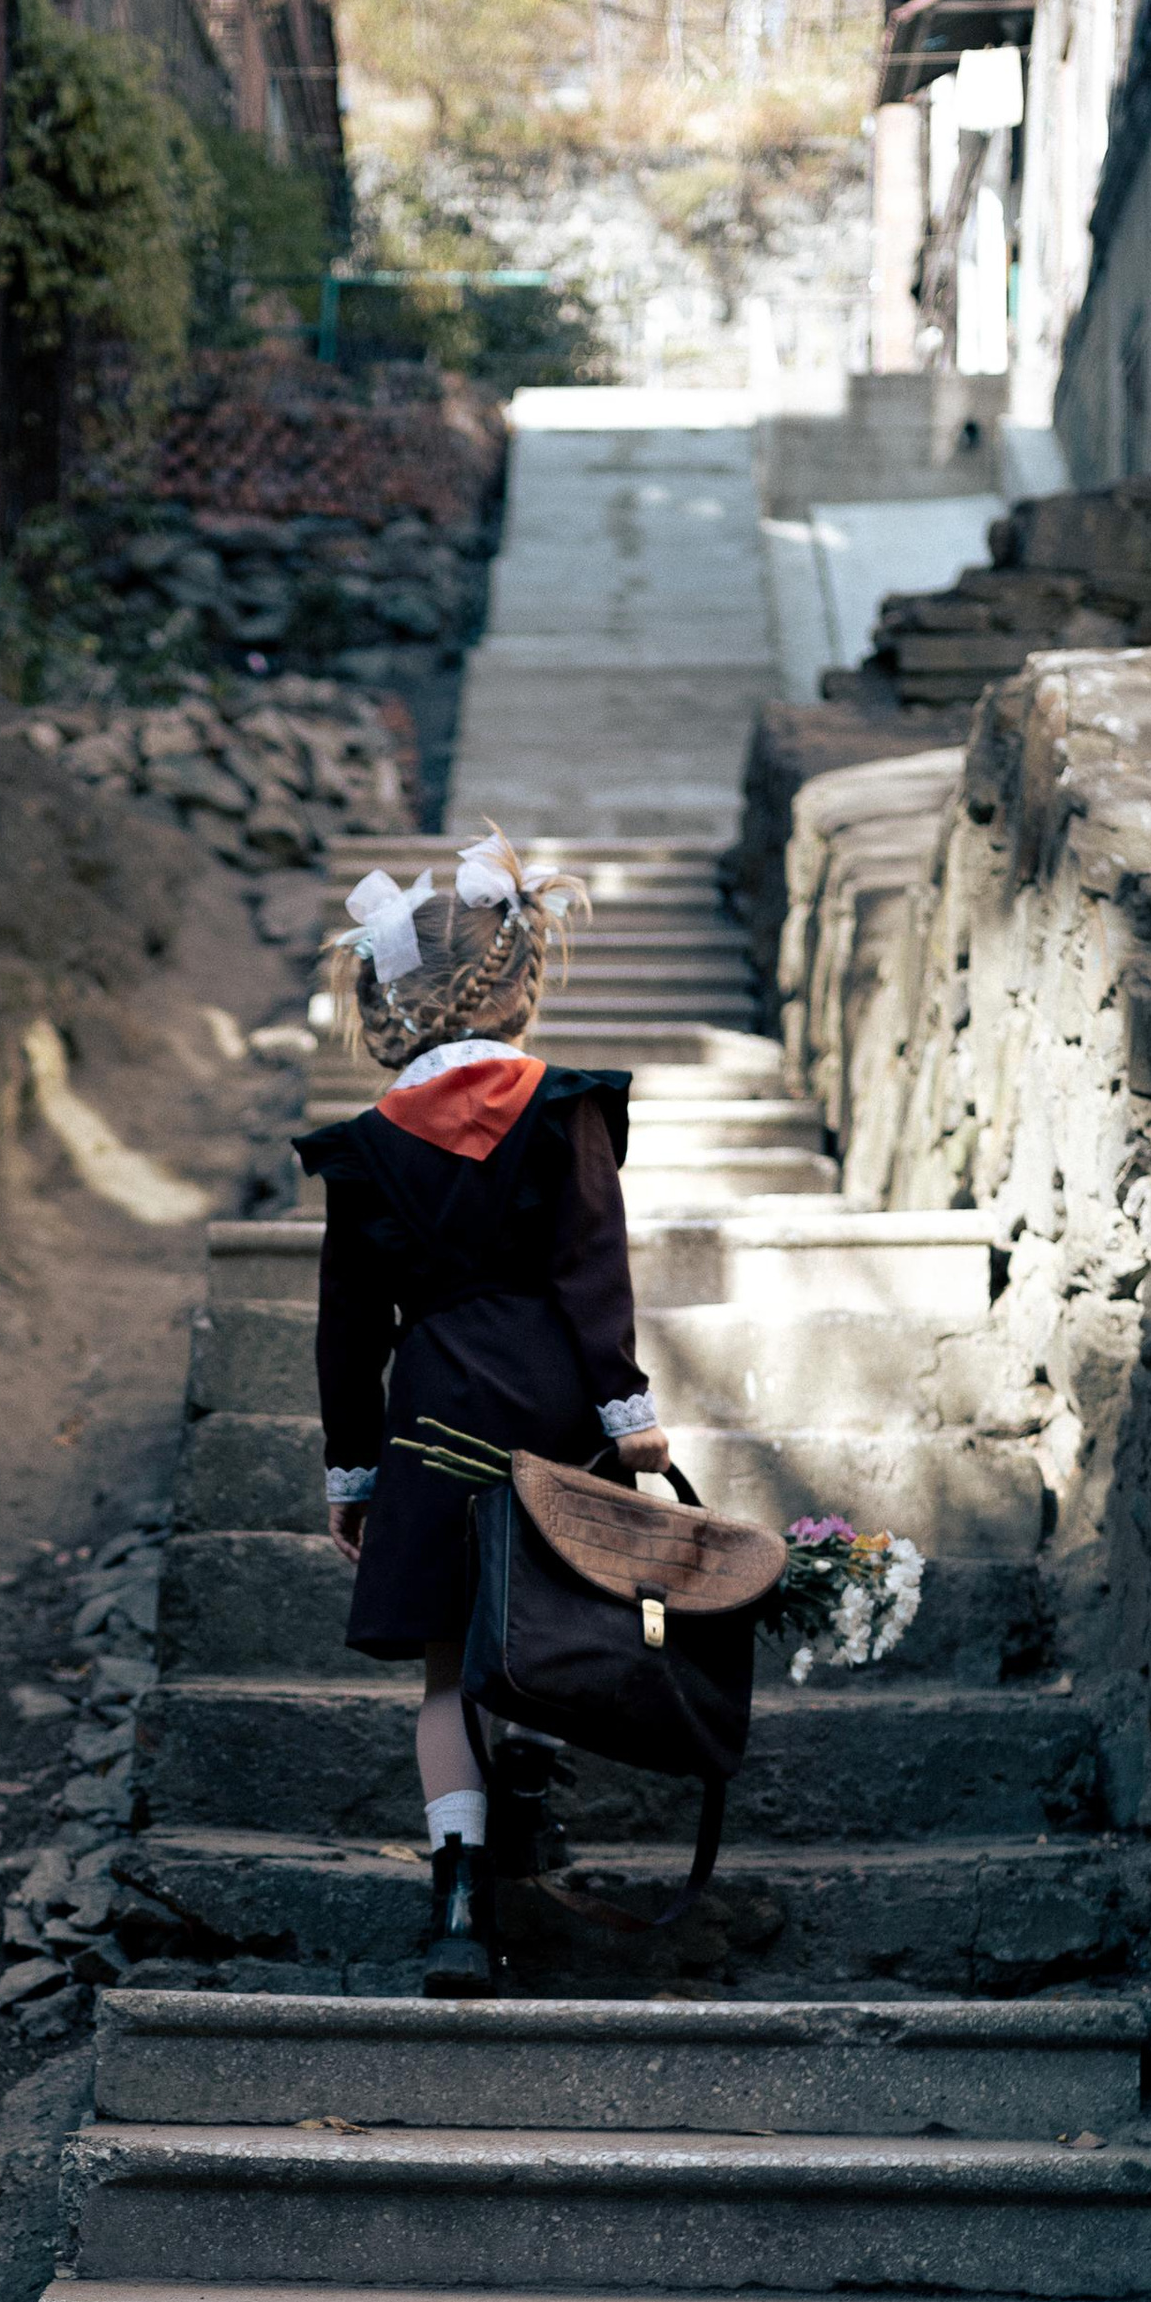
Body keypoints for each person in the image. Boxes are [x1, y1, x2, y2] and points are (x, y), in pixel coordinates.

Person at [299, 834, 670, 1995]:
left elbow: (348, 1330)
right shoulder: (561, 1109)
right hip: (553, 1397)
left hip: (433, 1407)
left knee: (447, 1670)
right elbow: (591, 1270)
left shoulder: (366, 1153)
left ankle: (457, 1895)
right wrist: (627, 1411)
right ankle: (532, 1792)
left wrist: (352, 1474)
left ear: (388, 1001)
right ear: (516, 982)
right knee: (548, 1621)